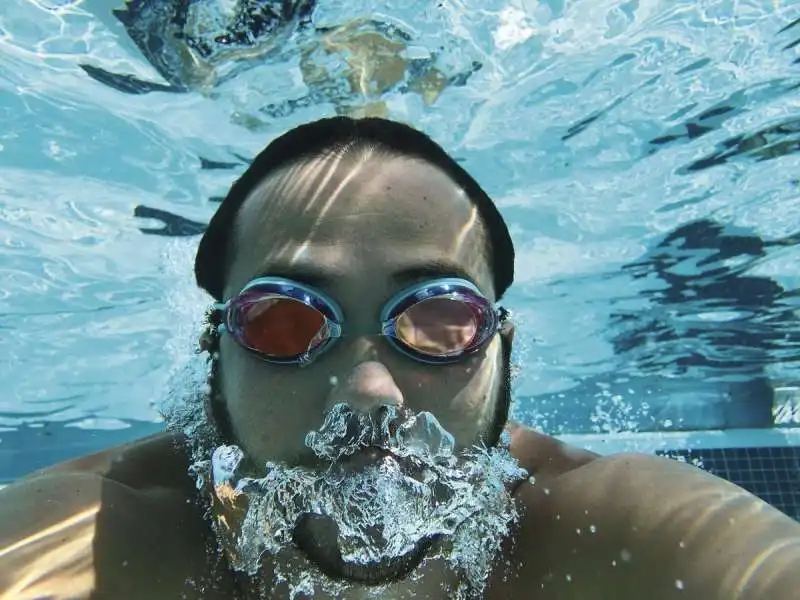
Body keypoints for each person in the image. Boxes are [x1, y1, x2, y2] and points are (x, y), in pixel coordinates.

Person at [2, 116, 800, 600]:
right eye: (284, 322)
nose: (370, 391)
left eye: (438, 318)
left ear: (502, 349)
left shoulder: (609, 531)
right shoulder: (95, 537)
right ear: (215, 353)